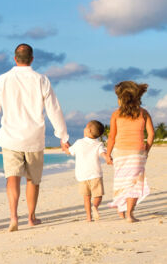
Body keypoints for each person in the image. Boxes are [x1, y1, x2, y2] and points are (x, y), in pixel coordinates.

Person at [0, 43, 70, 232]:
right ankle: (31, 217)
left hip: (11, 138)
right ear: (32, 59)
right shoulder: (41, 79)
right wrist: (63, 136)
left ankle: (13, 216)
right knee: (33, 180)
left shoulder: (3, 79)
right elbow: (54, 109)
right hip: (34, 138)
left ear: (15, 58)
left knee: (12, 177)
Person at [106, 81, 154, 223]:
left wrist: (108, 154)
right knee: (134, 183)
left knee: (121, 182)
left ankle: (121, 211)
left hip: (120, 153)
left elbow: (111, 137)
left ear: (121, 98)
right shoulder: (143, 113)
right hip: (137, 153)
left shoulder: (116, 114)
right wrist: (146, 150)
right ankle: (129, 214)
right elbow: (151, 134)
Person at [66, 120, 111, 222]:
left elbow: (69, 151)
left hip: (82, 176)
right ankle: (95, 206)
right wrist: (108, 158)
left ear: (89, 130)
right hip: (95, 174)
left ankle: (88, 217)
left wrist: (65, 145)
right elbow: (103, 154)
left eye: (86, 127)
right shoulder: (99, 144)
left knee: (86, 198)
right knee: (98, 195)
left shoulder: (79, 143)